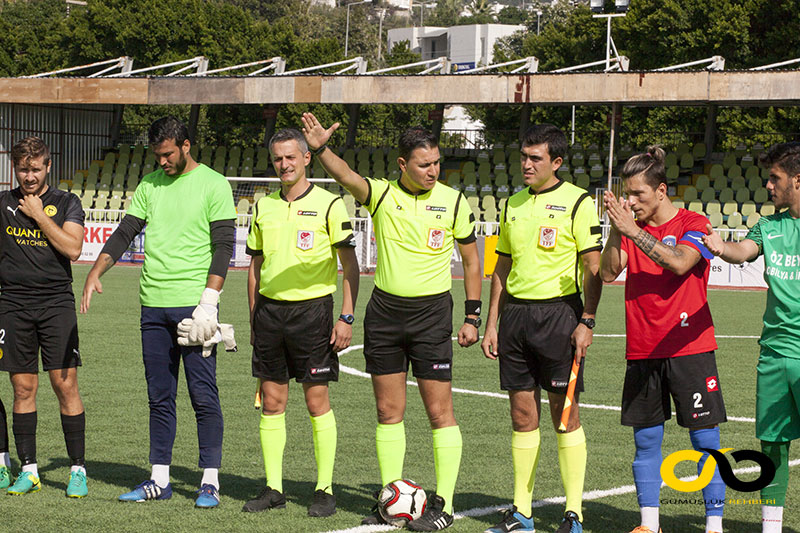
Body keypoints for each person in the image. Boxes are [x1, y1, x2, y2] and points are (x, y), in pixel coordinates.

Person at [301, 113, 482, 531]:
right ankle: (391, 499)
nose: (433, 171)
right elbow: (345, 174)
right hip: (384, 315)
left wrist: (472, 314)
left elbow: (472, 261)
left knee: (440, 412)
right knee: (388, 411)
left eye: (436, 162)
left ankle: (446, 505)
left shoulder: (454, 201)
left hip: (433, 315)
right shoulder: (381, 195)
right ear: (402, 165)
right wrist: (319, 148)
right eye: (424, 164)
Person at [81, 116, 236, 508]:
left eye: (168, 154)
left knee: (203, 395)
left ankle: (210, 482)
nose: (162, 161)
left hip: (195, 307)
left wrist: (208, 303)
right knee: (159, 396)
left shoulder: (215, 184)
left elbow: (223, 247)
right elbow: (124, 232)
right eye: (158, 155)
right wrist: (95, 272)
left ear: (186, 146)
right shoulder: (149, 184)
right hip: (153, 306)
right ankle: (159, 479)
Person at [481, 124, 603, 533]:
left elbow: (592, 269)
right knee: (520, 413)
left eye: (536, 158)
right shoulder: (512, 203)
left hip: (559, 317)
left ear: (557, 162)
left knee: (564, 414)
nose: (527, 164)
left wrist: (587, 319)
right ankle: (522, 513)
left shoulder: (579, 202)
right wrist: (492, 323)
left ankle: (574, 513)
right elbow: (502, 265)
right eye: (524, 156)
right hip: (515, 318)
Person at [602, 146, 726, 533]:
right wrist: (615, 233)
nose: (631, 201)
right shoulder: (629, 228)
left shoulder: (694, 221)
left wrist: (632, 231)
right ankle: (649, 525)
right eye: (627, 193)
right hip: (643, 346)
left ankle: (714, 525)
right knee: (646, 441)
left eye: (638, 193)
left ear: (661, 191)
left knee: (705, 440)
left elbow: (679, 263)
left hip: (690, 347)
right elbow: (607, 274)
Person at [241, 128, 359, 517]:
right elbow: (254, 268)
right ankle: (274, 487)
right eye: (277, 158)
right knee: (272, 403)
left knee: (316, 401)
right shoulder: (263, 206)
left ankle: (324, 489)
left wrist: (345, 316)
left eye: (291, 157)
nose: (284, 165)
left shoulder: (330, 204)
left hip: (313, 313)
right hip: (270, 314)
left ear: (307, 158)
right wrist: (254, 317)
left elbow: (350, 266)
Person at [703, 142, 800, 533]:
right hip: (776, 353)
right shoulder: (771, 226)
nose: (769, 185)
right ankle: (771, 528)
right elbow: (742, 251)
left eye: (775, 177)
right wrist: (719, 246)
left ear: (797, 179)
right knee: (773, 445)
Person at [0, 136, 87, 497]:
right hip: (13, 306)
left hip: (55, 305)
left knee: (64, 385)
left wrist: (38, 215)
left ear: (48, 167)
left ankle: (77, 470)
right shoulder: (3, 204)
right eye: (23, 169)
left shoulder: (67, 202)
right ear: (14, 169)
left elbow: (73, 248)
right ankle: (29, 469)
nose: (29, 176)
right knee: (23, 387)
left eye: (36, 169)